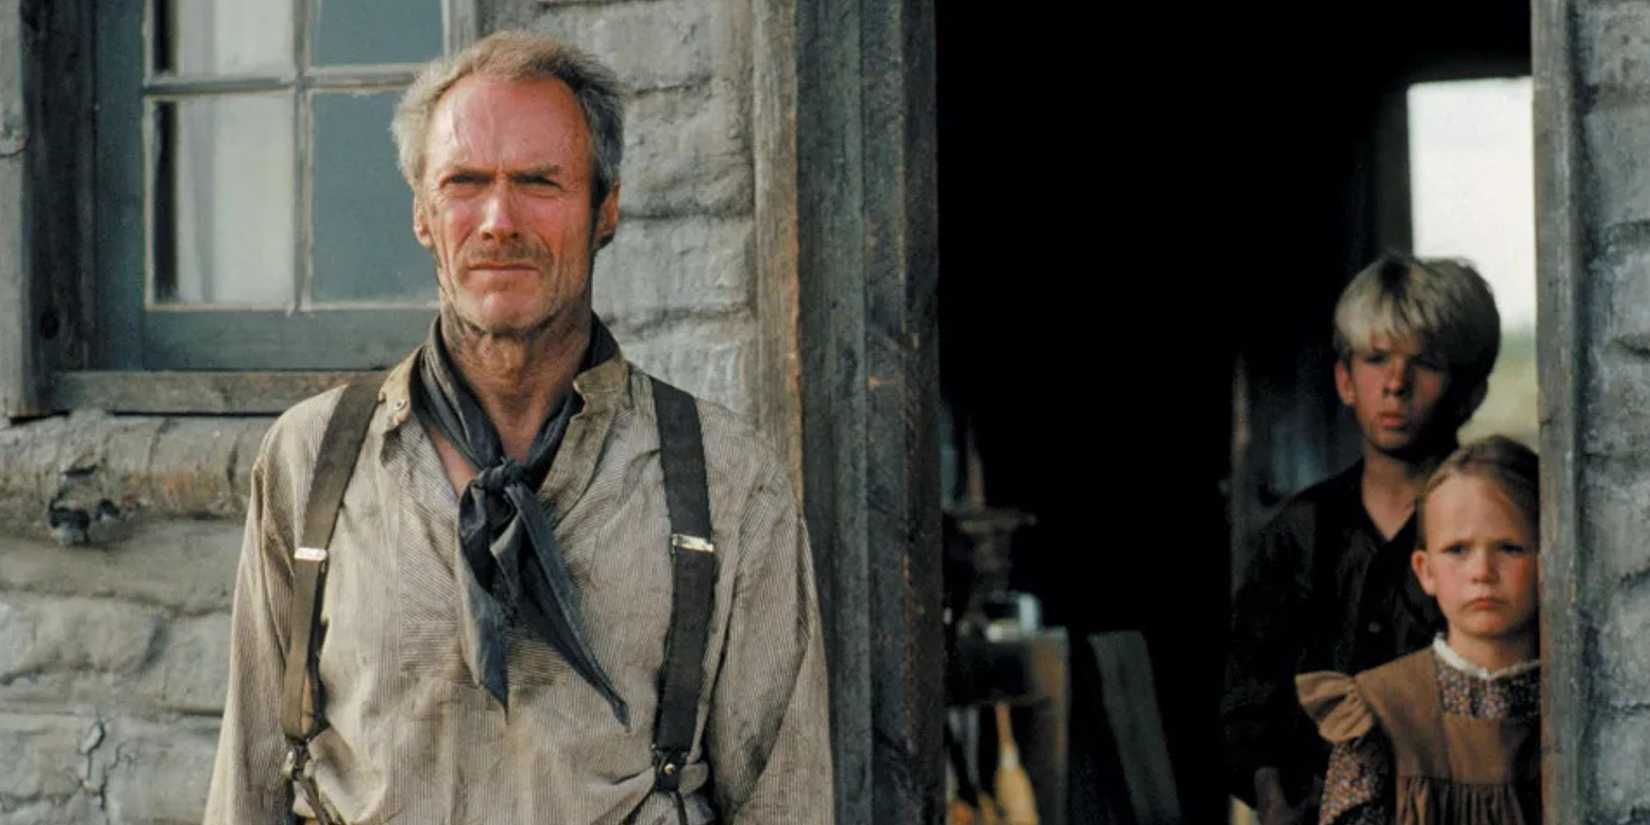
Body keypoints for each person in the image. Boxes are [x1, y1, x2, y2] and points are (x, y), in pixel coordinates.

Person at [203, 31, 833, 825]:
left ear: (606, 209)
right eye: (465, 181)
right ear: (424, 215)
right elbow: (249, 788)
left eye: (540, 181)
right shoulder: (311, 463)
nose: (498, 219)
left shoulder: (727, 482)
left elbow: (790, 804)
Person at [1223, 253, 1502, 824]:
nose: (1396, 384)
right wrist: (1273, 796)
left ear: (1471, 393)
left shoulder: (1498, 527)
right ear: (1346, 381)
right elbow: (1250, 700)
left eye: (1424, 363)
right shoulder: (1299, 532)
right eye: (1376, 360)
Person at [1296, 436, 1541, 824]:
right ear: (1425, 571)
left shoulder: (1577, 704)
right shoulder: (1379, 712)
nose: (1482, 572)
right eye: (1458, 550)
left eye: (1509, 548)